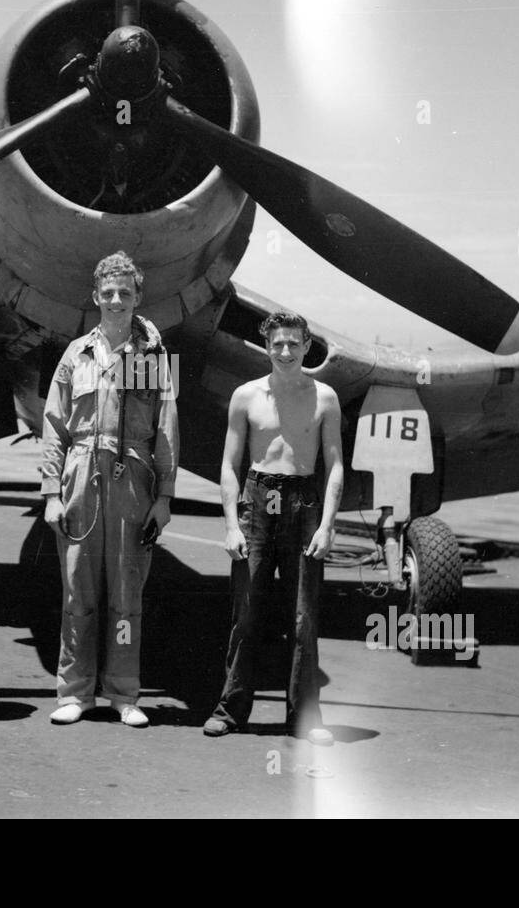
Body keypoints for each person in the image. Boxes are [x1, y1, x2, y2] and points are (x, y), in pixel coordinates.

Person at [40, 252, 179, 728]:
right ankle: (75, 692)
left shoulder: (153, 357)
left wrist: (163, 497)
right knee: (78, 590)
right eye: (108, 293)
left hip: (132, 477)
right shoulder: (75, 354)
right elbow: (55, 425)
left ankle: (123, 693)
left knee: (126, 595)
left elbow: (165, 428)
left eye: (125, 293)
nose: (116, 300)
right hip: (80, 474)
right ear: (95, 297)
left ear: (137, 296)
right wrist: (51, 493)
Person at [203, 311, 344, 745]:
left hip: (303, 503)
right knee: (246, 615)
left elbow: (336, 465)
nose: (285, 351)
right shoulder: (245, 396)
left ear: (307, 347)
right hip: (257, 501)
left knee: (303, 618)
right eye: (277, 343)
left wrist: (326, 526)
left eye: (294, 344)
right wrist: (231, 525)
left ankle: (305, 717)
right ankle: (230, 710)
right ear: (267, 345)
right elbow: (229, 465)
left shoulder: (324, 398)